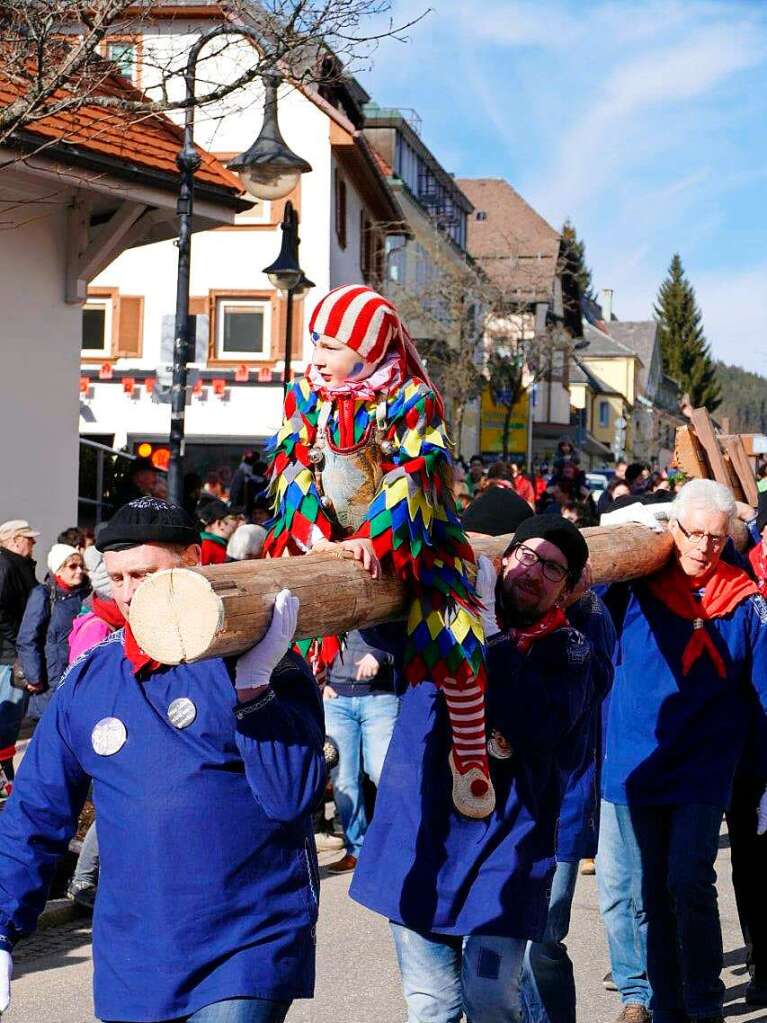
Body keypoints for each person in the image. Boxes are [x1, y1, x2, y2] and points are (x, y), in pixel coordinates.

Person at [0, 497, 325, 1023]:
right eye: (120, 578)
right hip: (137, 958)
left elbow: (293, 797)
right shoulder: (89, 680)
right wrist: (1, 925)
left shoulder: (261, 658)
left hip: (247, 942)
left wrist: (254, 694)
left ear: (194, 561)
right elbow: (36, 813)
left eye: (147, 575)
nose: (130, 595)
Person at [351, 515, 594, 1023]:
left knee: (490, 1001)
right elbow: (379, 625)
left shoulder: (568, 648)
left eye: (553, 569)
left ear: (567, 590)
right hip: (422, 838)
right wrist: (363, 558)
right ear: (505, 557)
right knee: (432, 1005)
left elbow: (541, 723)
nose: (534, 571)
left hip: (503, 850)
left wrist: (491, 639)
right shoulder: (442, 610)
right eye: (527, 554)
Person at [263, 284, 493, 819]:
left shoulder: (411, 397)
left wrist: (377, 536)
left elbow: (415, 473)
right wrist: (314, 535)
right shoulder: (305, 394)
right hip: (326, 537)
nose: (317, 355)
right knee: (294, 623)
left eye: (331, 346)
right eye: (316, 342)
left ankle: (470, 748)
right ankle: (303, 760)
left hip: (413, 534)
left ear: (367, 350)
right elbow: (292, 463)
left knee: (450, 626)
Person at [600, 479, 767, 1023]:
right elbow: (584, 589)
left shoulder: (745, 603)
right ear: (671, 530)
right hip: (637, 763)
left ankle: (703, 1001)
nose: (702, 547)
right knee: (649, 891)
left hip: (705, 766)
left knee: (689, 877)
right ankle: (665, 1005)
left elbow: (764, 693)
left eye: (715, 538)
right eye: (691, 533)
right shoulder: (635, 586)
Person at [322, 630, 399, 875]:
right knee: (343, 781)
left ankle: (399, 843)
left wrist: (378, 655)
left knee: (381, 772)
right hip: (336, 698)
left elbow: (402, 631)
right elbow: (307, 642)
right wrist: (319, 682)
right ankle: (357, 849)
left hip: (379, 697)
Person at [16, 543, 92, 719]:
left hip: (78, 675)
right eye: (72, 566)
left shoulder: (86, 596)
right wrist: (34, 677)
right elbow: (27, 639)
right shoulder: (43, 595)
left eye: (81, 566)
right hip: (49, 679)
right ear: (58, 570)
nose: (79, 571)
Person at [0, 519, 40, 789]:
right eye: (29, 538)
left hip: (10, 653)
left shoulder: (14, 564)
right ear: (14, 540)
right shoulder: (7, 565)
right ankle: (4, 780)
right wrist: (19, 641)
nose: (34, 542)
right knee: (7, 721)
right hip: (7, 656)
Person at [198, 499, 239, 565]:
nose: (237, 524)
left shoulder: (218, 544)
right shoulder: (206, 547)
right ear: (220, 523)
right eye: (233, 518)